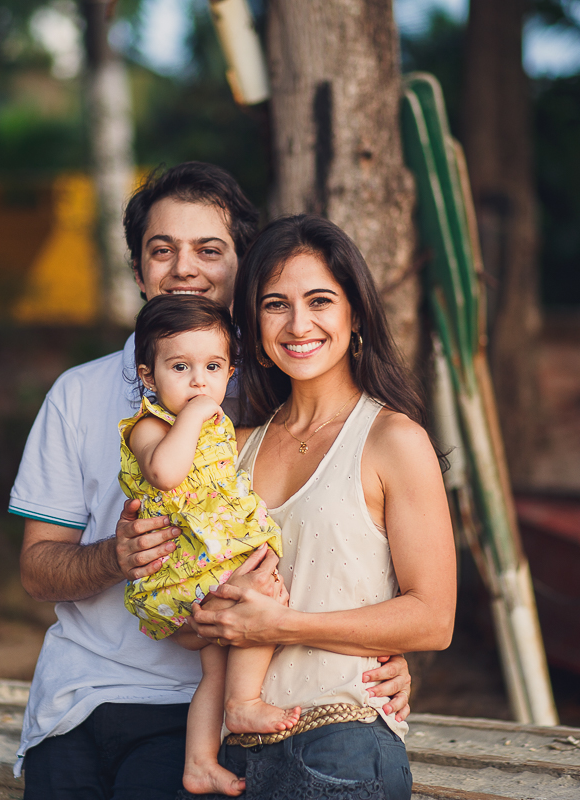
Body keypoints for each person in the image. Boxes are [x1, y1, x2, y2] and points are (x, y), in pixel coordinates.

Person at [10, 163, 414, 799]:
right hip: (76, 697)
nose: (184, 268)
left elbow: (333, 540)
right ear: (138, 270)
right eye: (161, 250)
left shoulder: (274, 391)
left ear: (241, 266)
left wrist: (377, 655)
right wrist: (116, 557)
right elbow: (37, 570)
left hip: (202, 705)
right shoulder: (78, 393)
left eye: (209, 249)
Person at [181, 214, 458, 799]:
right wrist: (196, 612)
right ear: (253, 324)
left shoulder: (392, 440)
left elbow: (434, 619)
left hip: (342, 745)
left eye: (320, 301)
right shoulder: (229, 447)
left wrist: (284, 626)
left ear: (354, 314)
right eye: (275, 305)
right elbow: (196, 619)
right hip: (231, 758)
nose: (298, 324)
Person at [120, 294, 301, 796]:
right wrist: (195, 416)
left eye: (213, 367)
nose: (199, 381)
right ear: (149, 376)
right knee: (257, 596)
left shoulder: (214, 423)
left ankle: (199, 761)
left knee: (215, 667)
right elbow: (165, 473)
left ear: (230, 372)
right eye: (181, 367)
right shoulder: (150, 426)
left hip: (207, 558)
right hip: (185, 567)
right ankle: (243, 705)